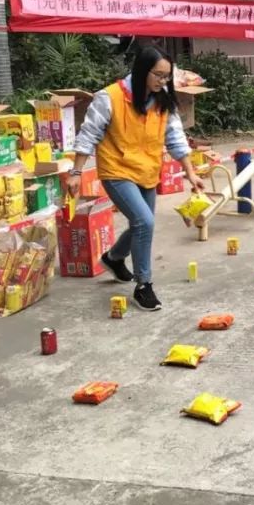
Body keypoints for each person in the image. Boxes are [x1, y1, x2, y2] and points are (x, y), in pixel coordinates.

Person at [71, 46, 207, 311]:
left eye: (167, 77)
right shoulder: (109, 97)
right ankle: (144, 285)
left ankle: (114, 258)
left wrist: (191, 173)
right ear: (143, 70)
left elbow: (175, 138)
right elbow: (88, 134)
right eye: (158, 75)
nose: (163, 81)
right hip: (116, 169)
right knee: (144, 221)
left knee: (141, 224)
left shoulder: (162, 100)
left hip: (146, 170)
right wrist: (76, 172)